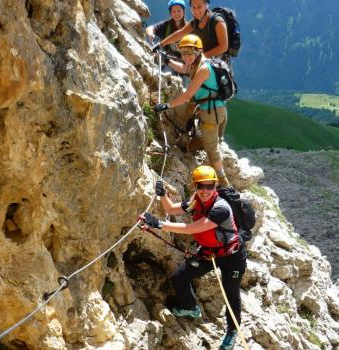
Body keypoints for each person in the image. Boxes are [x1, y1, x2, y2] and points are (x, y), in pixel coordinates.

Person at [139, 165, 247, 350]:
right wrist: (162, 194)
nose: (205, 190)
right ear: (195, 186)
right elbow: (171, 209)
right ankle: (191, 308)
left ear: (215, 186)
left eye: (209, 186)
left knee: (231, 295)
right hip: (209, 252)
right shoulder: (196, 201)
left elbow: (192, 229)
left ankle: (232, 331)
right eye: (201, 186)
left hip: (232, 256)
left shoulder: (220, 209)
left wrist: (157, 224)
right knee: (179, 278)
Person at [154, 34, 229, 186]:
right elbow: (184, 68)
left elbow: (188, 96)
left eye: (189, 52)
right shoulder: (200, 62)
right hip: (217, 110)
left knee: (212, 151)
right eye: (183, 53)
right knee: (212, 142)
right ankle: (193, 144)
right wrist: (167, 60)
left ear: (198, 51)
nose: (186, 56)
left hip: (211, 114)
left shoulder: (203, 69)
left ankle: (225, 184)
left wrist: (166, 105)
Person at [155, 0, 228, 60]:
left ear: (206, 5)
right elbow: (180, 34)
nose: (196, 10)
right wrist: (161, 44)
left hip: (217, 63)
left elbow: (224, 47)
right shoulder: (195, 21)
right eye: (194, 7)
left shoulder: (217, 21)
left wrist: (202, 57)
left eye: (199, 6)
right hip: (203, 60)